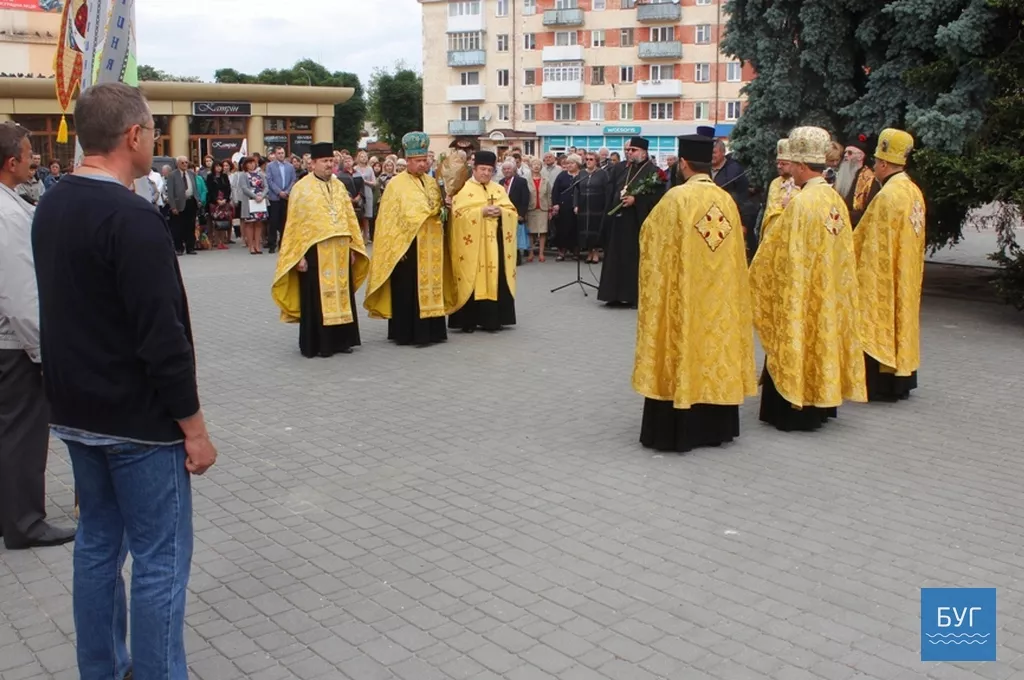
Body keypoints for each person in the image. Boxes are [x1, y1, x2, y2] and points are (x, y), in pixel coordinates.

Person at [32, 82, 216, 679]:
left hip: (78, 412)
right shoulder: (133, 216)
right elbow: (163, 337)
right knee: (161, 560)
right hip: (139, 423)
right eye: (152, 132)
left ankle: (103, 668)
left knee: (97, 549)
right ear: (134, 135)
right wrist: (194, 427)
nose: (155, 142)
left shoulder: (53, 202)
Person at [633, 135, 757, 452]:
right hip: (718, 298)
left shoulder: (677, 199)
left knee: (682, 347)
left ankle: (678, 429)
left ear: (684, 164)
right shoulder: (725, 200)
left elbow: (650, 238)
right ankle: (715, 428)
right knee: (713, 351)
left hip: (684, 296)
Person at [749, 126, 866, 431]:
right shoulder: (833, 198)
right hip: (827, 291)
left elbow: (778, 253)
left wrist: (754, 277)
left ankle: (792, 408)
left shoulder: (801, 204)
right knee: (821, 341)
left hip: (801, 293)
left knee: (797, 341)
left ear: (801, 166)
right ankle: (820, 403)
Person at [0, 121, 76, 550]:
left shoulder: (11, 203)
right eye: (29, 154)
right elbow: (19, 295)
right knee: (23, 437)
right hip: (14, 347)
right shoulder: (7, 214)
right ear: (12, 162)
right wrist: (43, 352)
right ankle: (25, 522)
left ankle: (10, 512)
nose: (34, 160)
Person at [272, 143, 369, 358]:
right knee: (317, 296)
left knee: (341, 293)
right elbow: (295, 225)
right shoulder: (301, 188)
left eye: (331, 161)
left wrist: (352, 246)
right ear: (312, 163)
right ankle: (319, 343)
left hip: (341, 250)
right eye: (324, 161)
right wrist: (298, 256)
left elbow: (348, 218)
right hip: (315, 252)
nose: (329, 165)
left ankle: (342, 340)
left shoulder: (339, 186)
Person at [853, 128, 926, 401]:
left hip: (884, 274)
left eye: (875, 162)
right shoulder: (913, 190)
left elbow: (872, 244)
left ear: (884, 163)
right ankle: (901, 379)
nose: (873, 166)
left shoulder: (887, 196)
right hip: (906, 271)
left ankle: (880, 382)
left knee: (879, 319)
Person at [364, 132, 448, 347]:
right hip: (406, 247)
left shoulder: (431, 182)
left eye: (425, 160)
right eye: (418, 161)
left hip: (431, 247)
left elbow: (438, 209)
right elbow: (389, 220)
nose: (423, 164)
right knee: (407, 289)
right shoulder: (395, 185)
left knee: (431, 287)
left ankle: (432, 332)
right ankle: (407, 333)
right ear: (408, 161)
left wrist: (444, 210)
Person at [445, 150, 518, 333]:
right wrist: (481, 212)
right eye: (482, 169)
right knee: (472, 278)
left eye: (489, 170)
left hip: (495, 246)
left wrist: (502, 213)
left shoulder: (498, 189)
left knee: (496, 278)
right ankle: (467, 321)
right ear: (474, 169)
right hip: (473, 248)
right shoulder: (464, 189)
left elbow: (512, 211)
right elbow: (457, 216)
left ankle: (493, 320)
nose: (486, 173)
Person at [599, 136, 664, 307]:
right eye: (627, 150)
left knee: (632, 259)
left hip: (637, 223)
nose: (629, 153)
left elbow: (657, 199)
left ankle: (633, 296)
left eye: (633, 150)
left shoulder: (654, 172)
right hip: (618, 222)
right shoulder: (623, 169)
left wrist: (636, 201)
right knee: (615, 258)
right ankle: (613, 295)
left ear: (643, 152)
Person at [757, 138, 799, 243]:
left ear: (793, 164)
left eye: (784, 164)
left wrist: (791, 205)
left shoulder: (801, 183)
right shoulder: (775, 183)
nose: (779, 166)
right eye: (778, 163)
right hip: (771, 235)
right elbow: (769, 211)